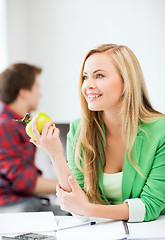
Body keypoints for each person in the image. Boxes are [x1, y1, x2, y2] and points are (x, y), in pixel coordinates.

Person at [31, 44, 165, 222]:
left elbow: (150, 206)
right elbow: (76, 210)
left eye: (99, 76)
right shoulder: (79, 130)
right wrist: (56, 155)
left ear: (127, 81)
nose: (88, 86)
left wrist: (87, 208)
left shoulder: (160, 130)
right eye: (85, 77)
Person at [0, 63, 66, 215]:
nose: (40, 94)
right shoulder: (4, 126)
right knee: (72, 215)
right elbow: (25, 182)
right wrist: (73, 186)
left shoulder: (19, 124)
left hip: (24, 201)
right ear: (23, 92)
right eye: (37, 87)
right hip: (11, 205)